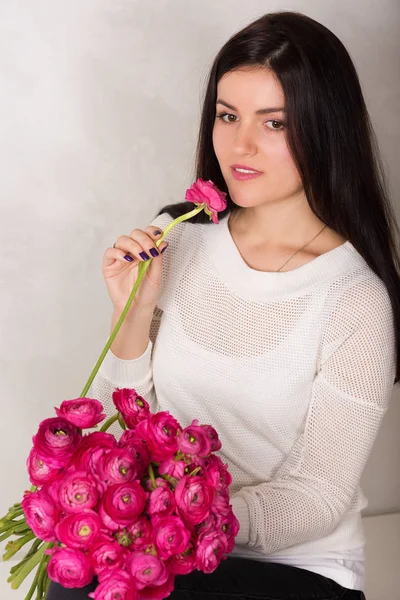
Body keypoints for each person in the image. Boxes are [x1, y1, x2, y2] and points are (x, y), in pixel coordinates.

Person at [46, 10, 400, 600]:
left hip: (294, 566)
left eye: (275, 124)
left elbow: (316, 495)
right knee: (78, 583)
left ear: (324, 129)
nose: (241, 145)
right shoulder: (178, 238)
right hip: (166, 548)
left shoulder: (354, 300)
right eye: (228, 115)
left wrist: (175, 524)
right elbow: (119, 429)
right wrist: (131, 314)